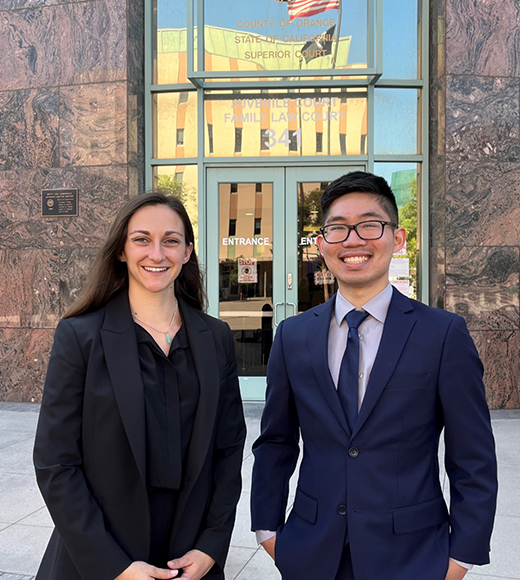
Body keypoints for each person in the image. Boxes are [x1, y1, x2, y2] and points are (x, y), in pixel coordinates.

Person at [250, 171, 497, 580]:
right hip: (310, 551)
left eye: (370, 225)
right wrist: (266, 530)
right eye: (338, 228)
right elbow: (275, 442)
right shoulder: (293, 335)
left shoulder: (442, 334)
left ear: (397, 239)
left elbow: (473, 456)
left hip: (413, 556)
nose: (353, 240)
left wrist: (461, 558)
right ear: (322, 244)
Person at [34, 192, 246, 580]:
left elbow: (228, 452)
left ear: (187, 252)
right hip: (101, 556)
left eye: (171, 240)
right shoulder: (81, 337)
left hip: (189, 559)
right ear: (121, 251)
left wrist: (212, 545)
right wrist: (113, 566)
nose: (157, 253)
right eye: (142, 239)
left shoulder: (215, 338)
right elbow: (55, 462)